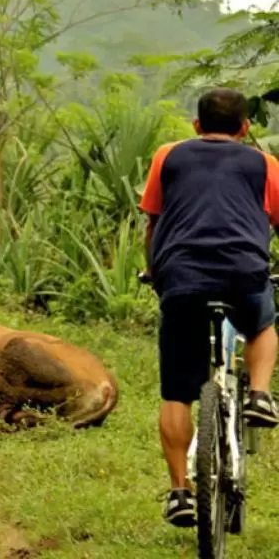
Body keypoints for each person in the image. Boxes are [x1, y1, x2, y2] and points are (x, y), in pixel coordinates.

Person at [138, 86, 279, 528]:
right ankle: (259, 394)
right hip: (243, 272)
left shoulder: (168, 155)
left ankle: (180, 492)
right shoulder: (265, 163)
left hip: (180, 276)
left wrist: (155, 273)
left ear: (196, 125)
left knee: (177, 390)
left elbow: (153, 225)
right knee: (261, 325)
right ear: (246, 127)